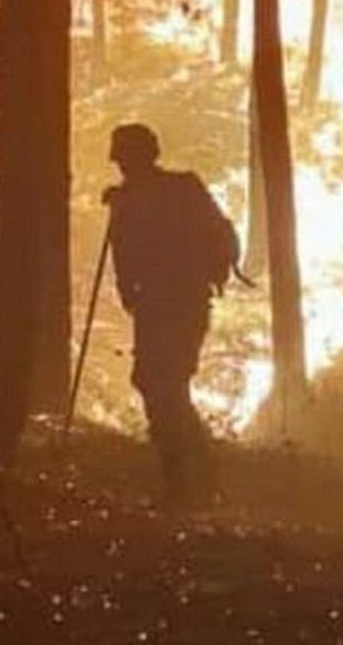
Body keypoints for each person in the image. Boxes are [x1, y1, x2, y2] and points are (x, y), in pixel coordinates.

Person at [103, 123, 236, 508]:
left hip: (176, 305)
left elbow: (132, 255)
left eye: (125, 159)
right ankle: (187, 478)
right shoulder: (176, 190)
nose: (122, 167)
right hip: (168, 305)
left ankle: (193, 478)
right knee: (157, 383)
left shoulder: (163, 193)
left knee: (164, 385)